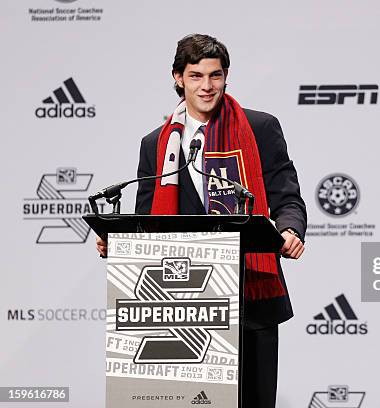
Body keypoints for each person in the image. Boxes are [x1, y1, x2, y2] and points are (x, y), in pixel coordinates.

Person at [96, 33, 306, 408]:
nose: (207, 87)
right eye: (196, 76)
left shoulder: (259, 129)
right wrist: (119, 242)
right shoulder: (155, 144)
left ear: (226, 77)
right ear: (178, 77)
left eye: (215, 76)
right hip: (183, 302)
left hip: (249, 294)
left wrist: (289, 229)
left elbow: (286, 194)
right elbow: (147, 218)